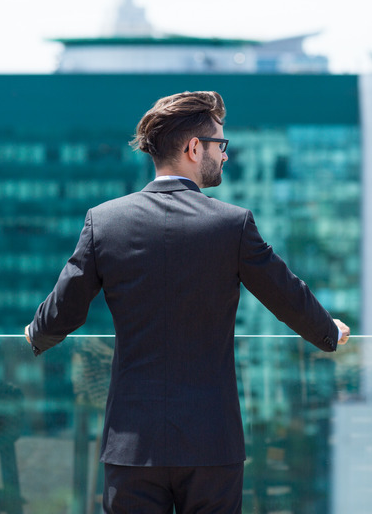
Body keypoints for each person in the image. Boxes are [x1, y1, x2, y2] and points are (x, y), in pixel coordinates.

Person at [25, 90, 350, 513]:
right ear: (194, 148)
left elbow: (62, 312)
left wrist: (36, 335)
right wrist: (329, 332)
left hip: (131, 446)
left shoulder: (103, 222)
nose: (225, 156)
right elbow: (286, 295)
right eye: (221, 144)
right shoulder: (232, 224)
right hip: (211, 444)